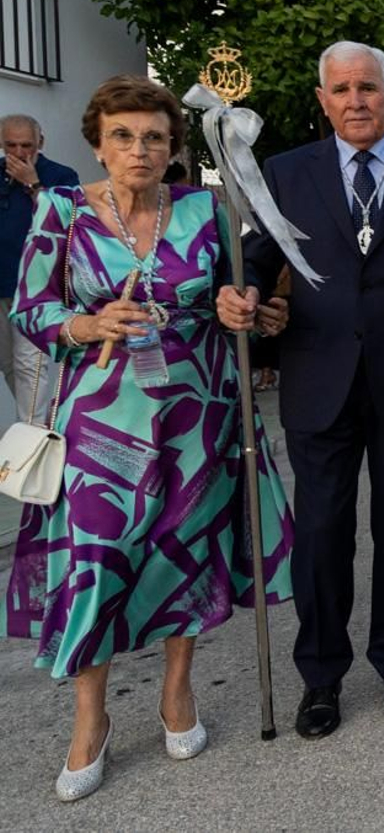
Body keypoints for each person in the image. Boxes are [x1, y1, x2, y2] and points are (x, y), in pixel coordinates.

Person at [3, 76, 293, 801]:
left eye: (155, 137)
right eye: (125, 136)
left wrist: (243, 305)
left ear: (173, 147)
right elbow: (31, 309)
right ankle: (91, 717)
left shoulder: (205, 207)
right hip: (102, 419)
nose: (140, 149)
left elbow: (241, 296)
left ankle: (177, 689)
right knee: (97, 560)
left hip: (198, 415)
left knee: (184, 550)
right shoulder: (61, 210)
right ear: (97, 143)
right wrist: (87, 324)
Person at [222, 40, 384, 741]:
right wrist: (241, 295)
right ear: (322, 100)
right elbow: (257, 261)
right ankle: (322, 676)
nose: (356, 100)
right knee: (323, 536)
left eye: (369, 87)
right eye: (341, 89)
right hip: (319, 380)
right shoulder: (283, 172)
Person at [0, 114, 79, 423]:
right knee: (9, 364)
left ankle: (32, 446)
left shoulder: (61, 175)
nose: (19, 153)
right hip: (1, 283)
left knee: (30, 367)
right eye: (11, 145)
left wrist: (33, 185)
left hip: (36, 287)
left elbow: (68, 223)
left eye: (27, 145)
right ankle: (31, 428)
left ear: (41, 142)